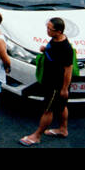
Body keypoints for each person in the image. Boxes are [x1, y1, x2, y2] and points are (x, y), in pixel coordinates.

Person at [20, 18, 74, 146]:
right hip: (50, 80)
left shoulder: (65, 48)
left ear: (59, 31)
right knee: (61, 107)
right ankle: (63, 129)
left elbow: (68, 69)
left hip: (56, 85)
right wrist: (46, 50)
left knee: (47, 110)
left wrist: (64, 89)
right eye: (47, 27)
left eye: (50, 29)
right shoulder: (55, 39)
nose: (47, 31)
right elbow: (55, 55)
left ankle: (36, 136)